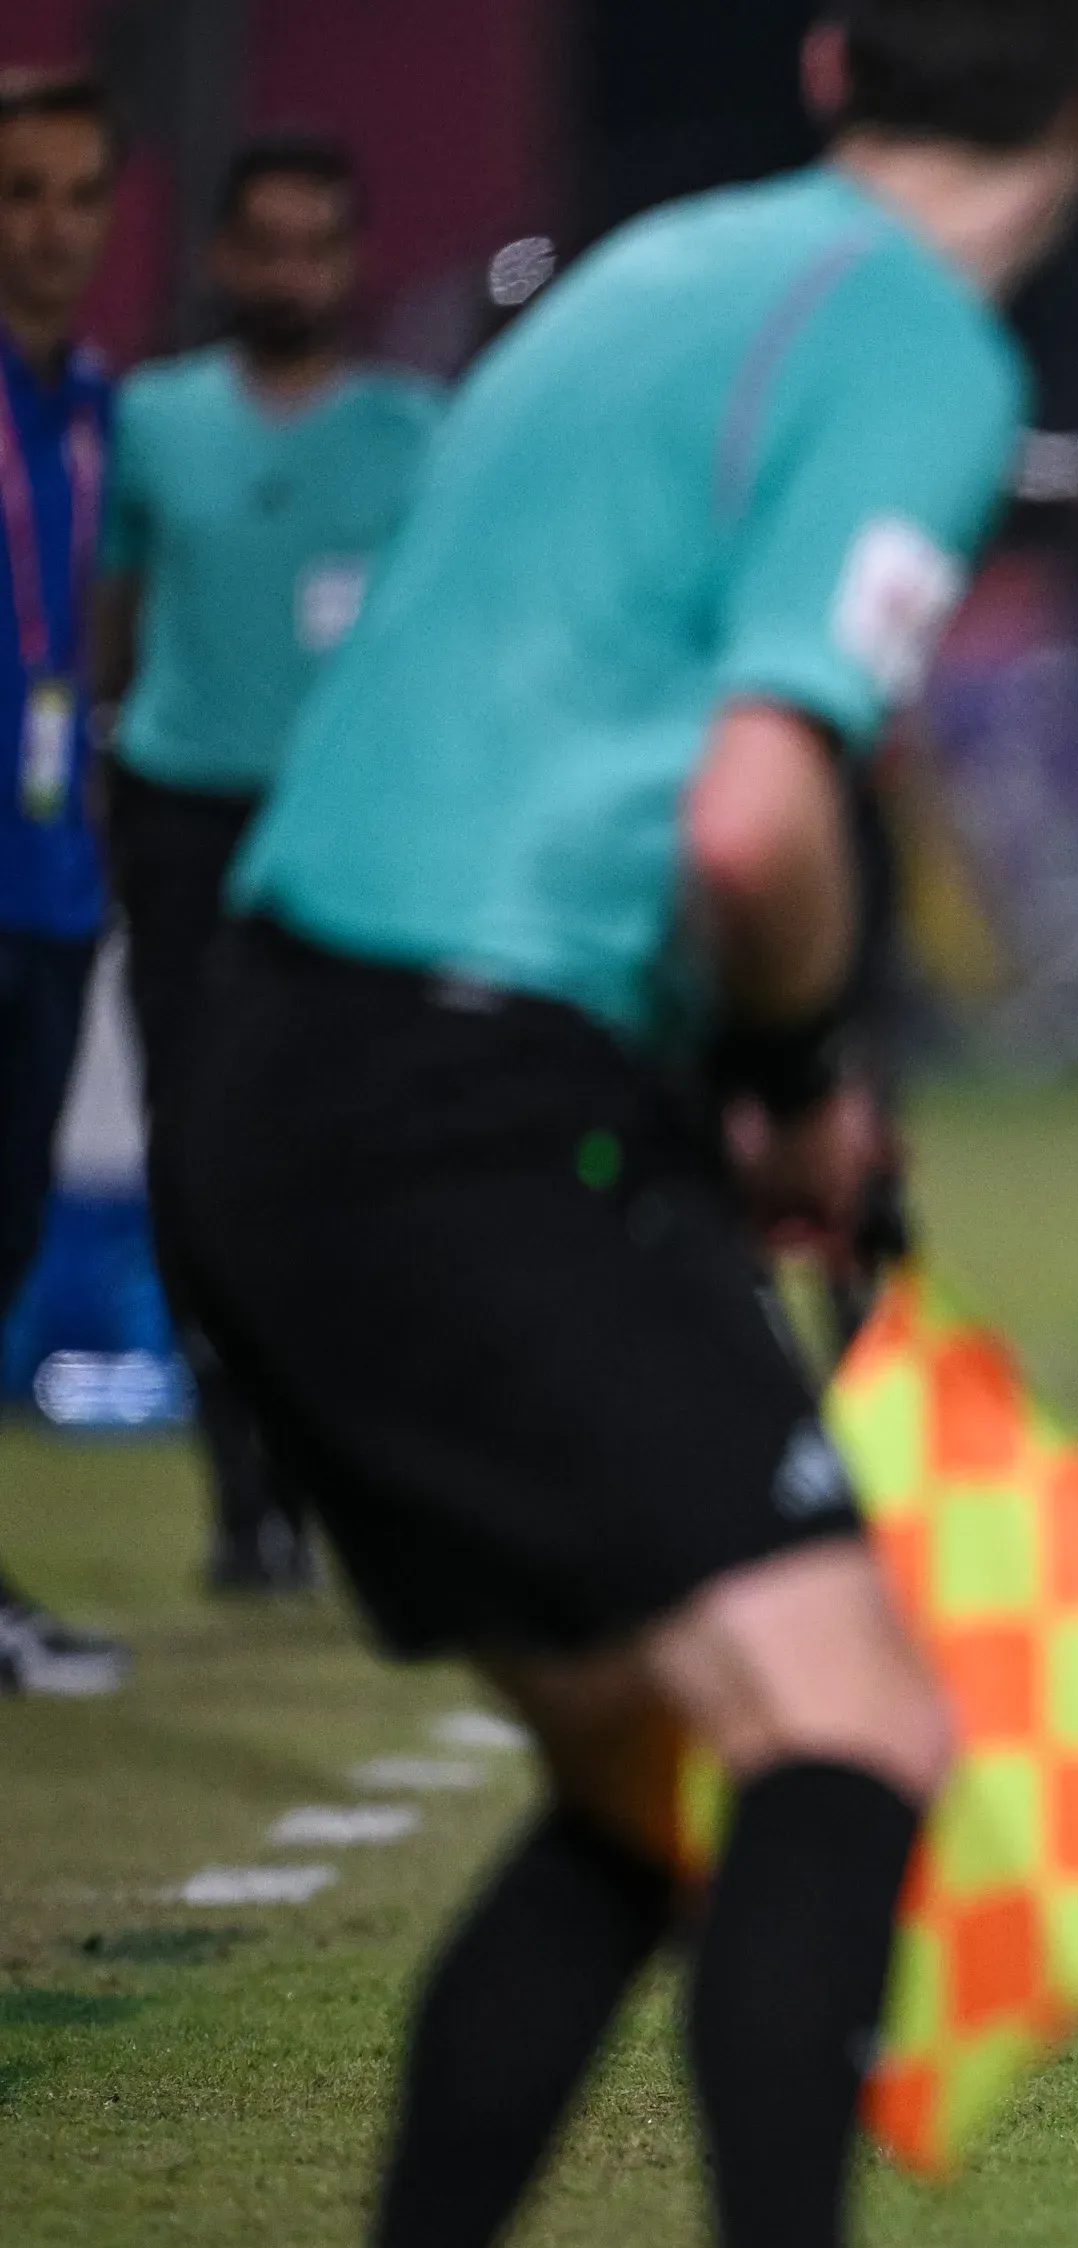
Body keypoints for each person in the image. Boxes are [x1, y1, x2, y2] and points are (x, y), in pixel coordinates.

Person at [162, 7, 1078, 2248]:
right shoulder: (921, 348)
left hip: (283, 1070)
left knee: (649, 1785)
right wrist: (798, 1085)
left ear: (825, 67)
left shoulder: (651, 275)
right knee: (850, 1737)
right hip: (472, 1099)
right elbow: (750, 813)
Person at [92, 131, 441, 1594]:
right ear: (222, 256)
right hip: (185, 822)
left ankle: (349, 1465)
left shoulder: (419, 436)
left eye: (318, 244)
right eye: (266, 243)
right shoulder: (151, 425)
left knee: (361, 1160)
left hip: (353, 835)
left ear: (352, 262)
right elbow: (101, 620)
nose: (291, 272)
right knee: (197, 1160)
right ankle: (243, 1486)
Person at [0, 67, 126, 1699]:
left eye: (77, 195)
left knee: (12, 1231)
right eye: (20, 190)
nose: (50, 226)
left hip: (51, 886)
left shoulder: (103, 415)